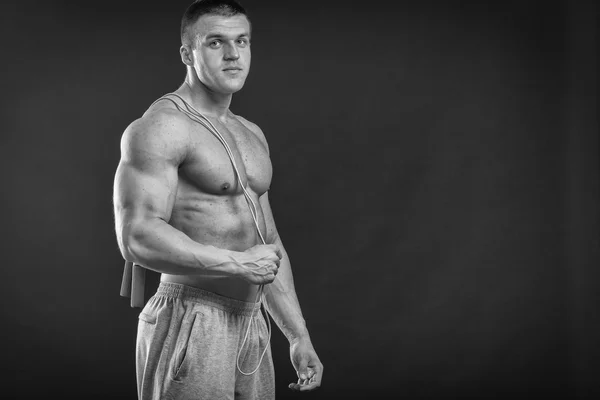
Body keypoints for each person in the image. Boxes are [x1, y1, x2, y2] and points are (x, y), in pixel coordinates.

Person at [112, 0, 323, 399]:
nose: (233, 54)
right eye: (215, 42)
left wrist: (297, 335)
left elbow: (268, 243)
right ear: (186, 53)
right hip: (192, 315)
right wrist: (236, 263)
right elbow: (136, 236)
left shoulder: (250, 133)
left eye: (242, 41)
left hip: (251, 321)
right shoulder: (161, 127)